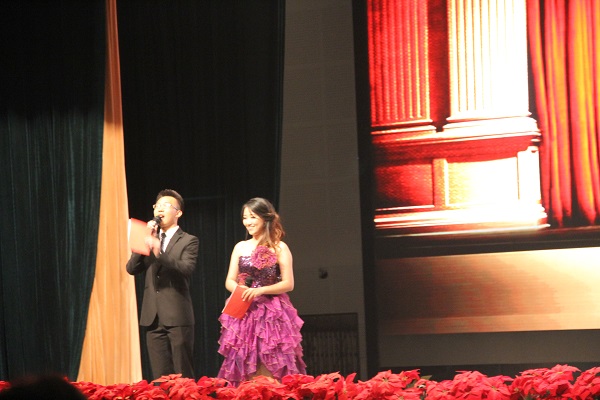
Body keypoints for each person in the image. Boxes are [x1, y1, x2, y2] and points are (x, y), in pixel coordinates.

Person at [217, 197, 306, 386]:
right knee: (244, 361)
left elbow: (288, 283)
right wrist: (241, 290)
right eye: (244, 217)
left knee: (271, 360)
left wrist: (260, 291)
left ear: (265, 218)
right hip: (244, 311)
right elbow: (229, 281)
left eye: (252, 217)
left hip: (271, 312)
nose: (247, 222)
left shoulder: (279, 247)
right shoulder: (240, 247)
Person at [126, 189, 199, 379]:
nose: (160, 209)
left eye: (166, 206)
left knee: (183, 375)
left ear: (178, 213)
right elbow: (131, 269)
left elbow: (186, 268)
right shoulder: (150, 237)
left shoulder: (189, 240)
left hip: (177, 315)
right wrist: (142, 243)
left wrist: (159, 252)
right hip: (152, 317)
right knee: (160, 377)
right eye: (157, 206)